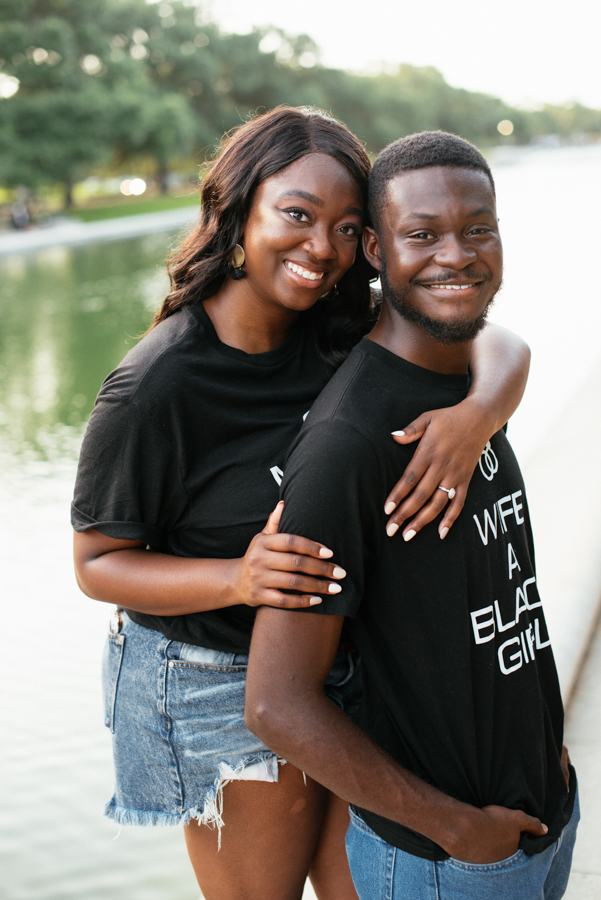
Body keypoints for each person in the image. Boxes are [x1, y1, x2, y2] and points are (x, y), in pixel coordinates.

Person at [72, 109, 531, 900]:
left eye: (348, 227)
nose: (322, 248)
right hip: (212, 666)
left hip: (335, 654)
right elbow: (97, 564)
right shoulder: (157, 387)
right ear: (235, 208)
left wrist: (476, 415)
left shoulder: (335, 323)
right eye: (296, 214)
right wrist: (237, 578)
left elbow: (495, 340)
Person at [245, 131, 578, 900]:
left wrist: (545, 755)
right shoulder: (348, 444)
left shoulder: (464, 393)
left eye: (478, 229)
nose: (455, 255)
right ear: (372, 248)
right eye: (420, 234)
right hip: (446, 861)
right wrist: (456, 830)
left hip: (543, 816)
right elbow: (275, 703)